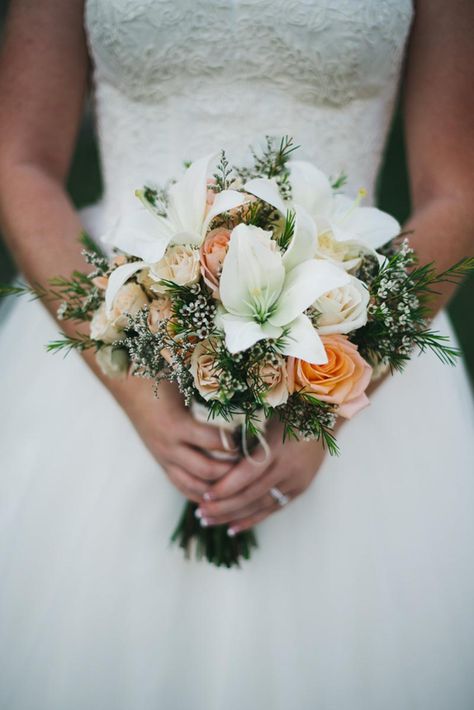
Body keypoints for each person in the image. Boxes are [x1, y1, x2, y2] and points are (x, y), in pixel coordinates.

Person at [0, 1, 473, 708]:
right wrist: (134, 381)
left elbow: (458, 189)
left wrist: (326, 398)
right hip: (108, 334)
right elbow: (20, 159)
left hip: (353, 331)